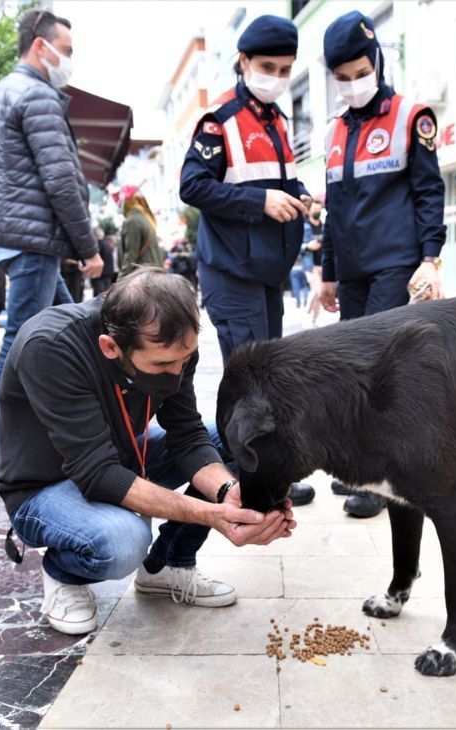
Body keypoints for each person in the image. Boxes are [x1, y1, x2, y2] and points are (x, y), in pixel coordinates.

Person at [0, 267, 296, 635]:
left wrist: (228, 493)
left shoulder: (174, 345)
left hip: (119, 458)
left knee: (241, 440)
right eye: (163, 364)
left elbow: (187, 436)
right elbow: (98, 473)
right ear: (111, 347)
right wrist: (210, 515)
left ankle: (167, 564)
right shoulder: (50, 346)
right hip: (43, 488)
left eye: (184, 360)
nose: (176, 372)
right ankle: (62, 574)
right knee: (124, 541)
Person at [0, 9, 104, 489]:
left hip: (13, 241)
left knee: (77, 330)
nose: (69, 59)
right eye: (67, 48)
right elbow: (62, 181)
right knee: (19, 342)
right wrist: (88, 248)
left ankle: (85, 437)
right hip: (34, 241)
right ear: (41, 46)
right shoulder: (38, 96)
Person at [179, 14, 315, 507]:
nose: (276, 77)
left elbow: (279, 179)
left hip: (267, 273)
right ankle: (249, 478)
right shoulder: (219, 121)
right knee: (251, 383)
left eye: (285, 69)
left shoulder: (277, 120)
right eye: (267, 66)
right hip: (231, 274)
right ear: (243, 63)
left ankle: (268, 468)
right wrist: (260, 204)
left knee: (271, 376)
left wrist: (303, 196)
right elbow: (192, 186)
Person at [319, 10, 446, 517]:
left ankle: (380, 478)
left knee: (382, 371)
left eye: (360, 73)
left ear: (376, 61)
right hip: (351, 269)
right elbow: (335, 209)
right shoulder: (334, 132)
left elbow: (428, 192)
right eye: (342, 79)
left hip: (397, 264)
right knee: (351, 369)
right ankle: (360, 466)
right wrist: (327, 273)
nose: (353, 85)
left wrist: (431, 258)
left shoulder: (412, 116)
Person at [116, 186, 165, 279]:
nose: (119, 205)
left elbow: (130, 255)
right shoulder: (145, 219)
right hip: (153, 275)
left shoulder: (133, 221)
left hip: (143, 278)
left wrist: (120, 281)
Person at [91, 226, 116, 295]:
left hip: (100, 276)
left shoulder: (98, 245)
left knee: (99, 299)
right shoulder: (107, 245)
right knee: (106, 297)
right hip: (108, 275)